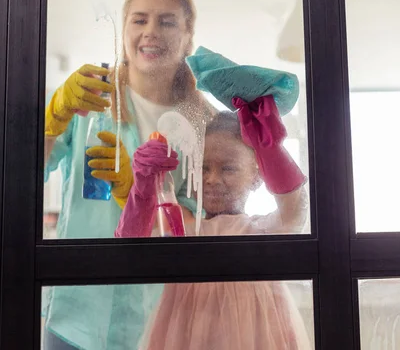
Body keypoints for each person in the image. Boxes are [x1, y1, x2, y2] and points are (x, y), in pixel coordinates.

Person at [42, 0, 214, 349]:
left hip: (158, 319)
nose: (150, 32)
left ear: (188, 38)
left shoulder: (203, 122)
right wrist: (51, 121)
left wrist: (136, 195)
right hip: (76, 314)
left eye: (167, 22)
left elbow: (202, 228)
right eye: (139, 20)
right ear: (124, 32)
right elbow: (19, 173)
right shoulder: (88, 97)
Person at [115, 95, 310, 349]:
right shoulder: (180, 224)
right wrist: (143, 188)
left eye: (228, 168)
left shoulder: (260, 231)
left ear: (257, 176)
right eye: (203, 168)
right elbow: (129, 247)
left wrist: (271, 151)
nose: (212, 179)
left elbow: (295, 211)